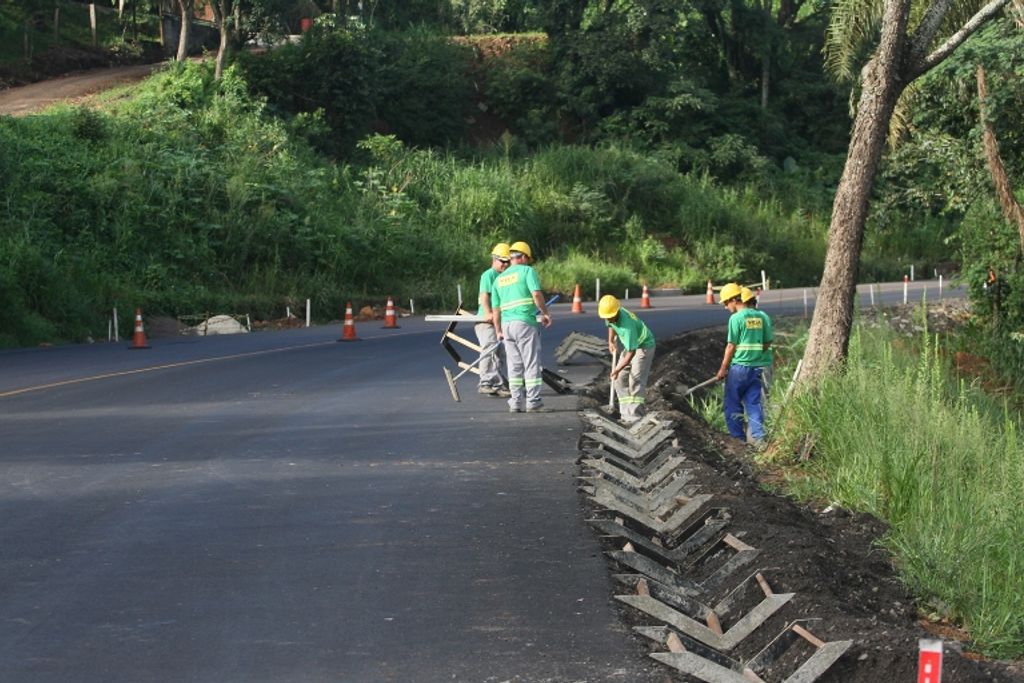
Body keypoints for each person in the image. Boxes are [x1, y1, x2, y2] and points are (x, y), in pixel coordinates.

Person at [491, 241, 552, 413]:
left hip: (506, 326)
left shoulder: (499, 279)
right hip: (524, 323)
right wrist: (545, 313)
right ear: (524, 257)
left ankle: (516, 402)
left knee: (514, 365)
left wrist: (498, 331)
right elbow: (536, 294)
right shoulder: (527, 271)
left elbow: (496, 310)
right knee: (531, 363)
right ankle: (533, 401)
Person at [715, 282, 773, 445]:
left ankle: (738, 441)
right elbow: (767, 341)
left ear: (734, 300)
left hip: (739, 368)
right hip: (756, 368)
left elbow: (730, 346)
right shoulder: (762, 316)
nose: (726, 306)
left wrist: (722, 369)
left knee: (732, 403)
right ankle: (759, 439)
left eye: (726, 302)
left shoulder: (736, 318)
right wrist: (755, 355)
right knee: (753, 404)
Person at [598, 294, 655, 424]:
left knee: (635, 381)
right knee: (618, 379)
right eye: (606, 317)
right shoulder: (610, 314)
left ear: (617, 312)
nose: (608, 319)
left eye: (610, 317)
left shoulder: (627, 326)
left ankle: (635, 418)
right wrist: (610, 341)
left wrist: (617, 369)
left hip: (644, 347)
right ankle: (625, 414)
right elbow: (611, 325)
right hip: (632, 345)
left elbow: (631, 353)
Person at [475, 243, 512, 397]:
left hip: (500, 321)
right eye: (502, 261)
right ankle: (485, 382)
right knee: (490, 347)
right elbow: (484, 295)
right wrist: (488, 312)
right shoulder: (488, 275)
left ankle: (498, 385)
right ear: (494, 259)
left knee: (500, 353)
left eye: (507, 262)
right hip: (487, 322)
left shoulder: (507, 277)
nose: (505, 264)